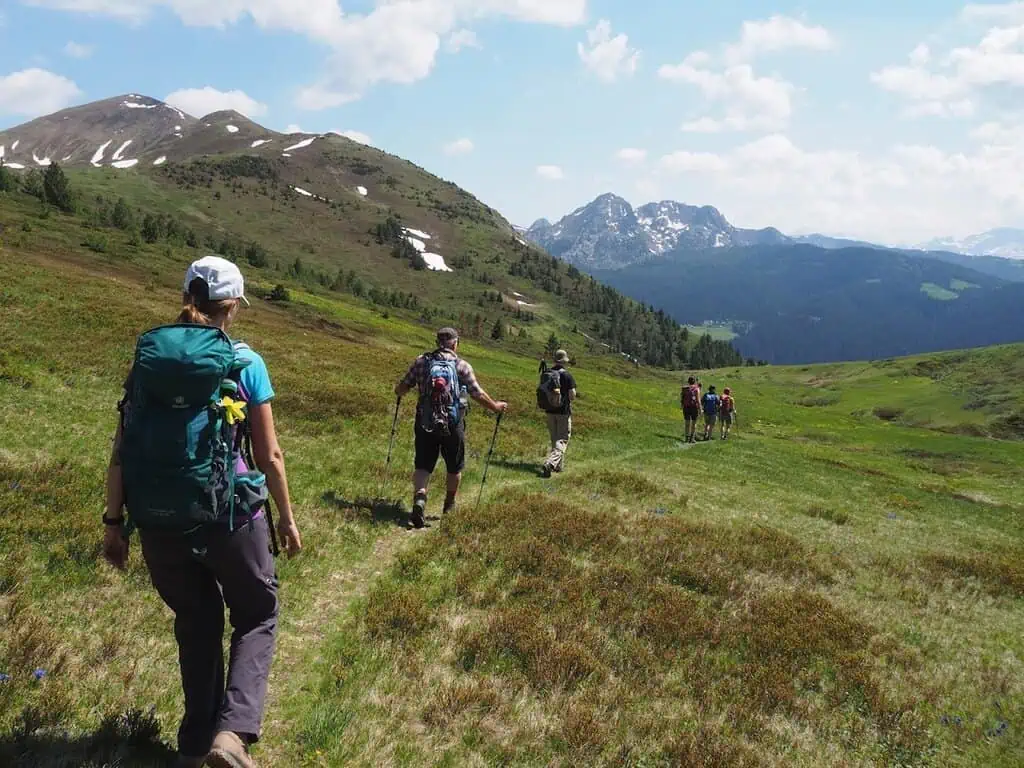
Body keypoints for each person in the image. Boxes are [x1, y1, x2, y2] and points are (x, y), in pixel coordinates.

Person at [102, 255, 302, 768]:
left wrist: (113, 522)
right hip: (231, 517)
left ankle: (194, 745)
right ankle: (232, 735)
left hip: (158, 521)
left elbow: (121, 446)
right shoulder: (244, 362)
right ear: (232, 305)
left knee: (196, 621)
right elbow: (269, 455)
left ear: (187, 296)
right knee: (257, 613)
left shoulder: (147, 359)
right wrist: (287, 517)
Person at [395, 327, 508, 528]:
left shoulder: (422, 361)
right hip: (453, 423)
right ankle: (449, 505)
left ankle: (420, 499)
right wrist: (496, 406)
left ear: (437, 342)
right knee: (454, 466)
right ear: (455, 343)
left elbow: (402, 388)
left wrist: (399, 391)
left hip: (425, 422)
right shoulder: (462, 366)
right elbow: (477, 394)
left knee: (422, 464)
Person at [541, 349, 577, 478]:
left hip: (549, 410)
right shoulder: (567, 376)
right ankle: (550, 463)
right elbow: (572, 395)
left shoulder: (548, 373)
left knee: (555, 439)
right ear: (564, 362)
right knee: (562, 440)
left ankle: (558, 467)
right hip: (563, 412)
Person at [681, 376, 701, 443]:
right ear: (694, 381)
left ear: (688, 381)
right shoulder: (696, 389)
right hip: (694, 407)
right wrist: (700, 409)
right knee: (694, 423)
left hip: (686, 407)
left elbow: (682, 397)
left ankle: (687, 438)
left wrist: (682, 405)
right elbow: (698, 400)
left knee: (687, 423)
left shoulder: (685, 388)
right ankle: (692, 438)